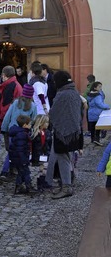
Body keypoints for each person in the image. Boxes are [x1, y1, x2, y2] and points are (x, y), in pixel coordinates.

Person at [46, 70, 84, 199]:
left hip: (63, 132)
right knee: (63, 158)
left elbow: (54, 113)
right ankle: (61, 184)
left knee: (62, 158)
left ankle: (64, 186)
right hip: (73, 131)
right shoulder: (74, 92)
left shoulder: (63, 94)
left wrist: (49, 117)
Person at [8, 115, 34, 194]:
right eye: (29, 124)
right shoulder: (22, 134)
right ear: (25, 125)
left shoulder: (20, 133)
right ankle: (28, 186)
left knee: (21, 172)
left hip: (17, 157)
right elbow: (20, 149)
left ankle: (18, 186)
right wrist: (24, 160)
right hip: (20, 158)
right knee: (26, 172)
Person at [87, 81, 109, 146]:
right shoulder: (97, 96)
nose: (100, 88)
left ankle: (92, 139)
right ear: (95, 87)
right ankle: (97, 139)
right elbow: (100, 104)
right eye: (99, 87)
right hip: (97, 113)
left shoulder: (89, 94)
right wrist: (107, 107)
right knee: (97, 128)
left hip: (90, 113)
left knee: (92, 128)